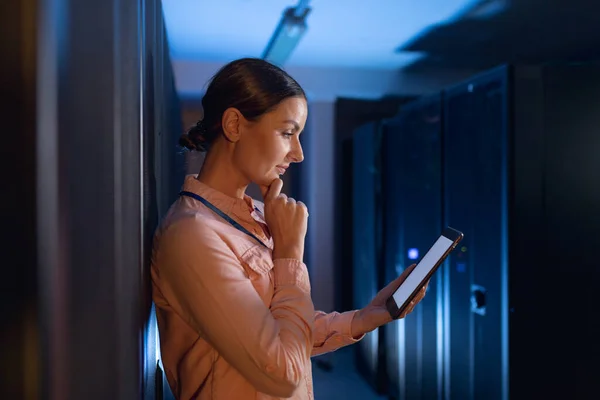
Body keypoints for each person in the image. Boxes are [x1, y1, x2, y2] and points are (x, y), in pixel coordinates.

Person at [150, 57, 428, 400]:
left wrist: (368, 317)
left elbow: (278, 332)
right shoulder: (192, 235)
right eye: (287, 133)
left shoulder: (255, 216)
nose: (297, 154)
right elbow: (283, 373)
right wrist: (290, 254)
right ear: (235, 125)